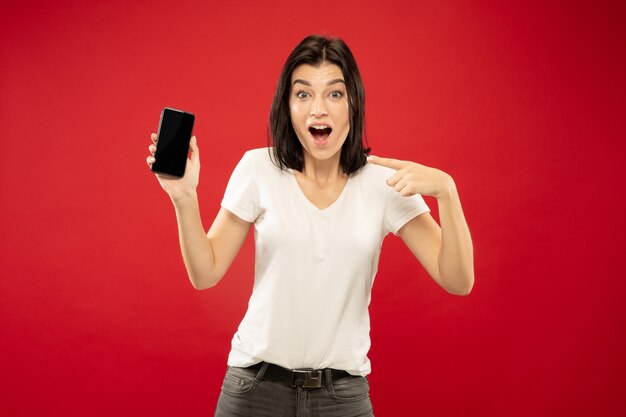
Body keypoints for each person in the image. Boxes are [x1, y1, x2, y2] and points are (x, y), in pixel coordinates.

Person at [146, 35, 474, 417]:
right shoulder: (258, 169)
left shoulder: (383, 182)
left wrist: (447, 193)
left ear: (354, 103)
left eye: (334, 94)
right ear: (287, 106)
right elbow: (205, 273)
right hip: (254, 390)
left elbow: (458, 280)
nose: (319, 109)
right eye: (303, 95)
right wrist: (184, 199)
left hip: (342, 398)